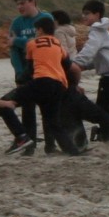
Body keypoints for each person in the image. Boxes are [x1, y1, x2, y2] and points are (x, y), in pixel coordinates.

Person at [18, 14, 80, 156]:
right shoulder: (58, 44)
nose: (35, 32)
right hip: (58, 84)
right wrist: (73, 84)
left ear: (40, 30)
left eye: (36, 30)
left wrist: (20, 81)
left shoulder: (32, 43)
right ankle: (65, 149)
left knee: (13, 104)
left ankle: (27, 144)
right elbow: (68, 66)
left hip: (40, 81)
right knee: (52, 119)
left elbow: (30, 69)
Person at [75, 0, 109, 132]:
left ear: (97, 14)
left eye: (87, 13)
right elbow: (99, 57)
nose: (84, 16)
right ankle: (108, 133)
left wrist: (75, 64)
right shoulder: (101, 30)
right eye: (83, 13)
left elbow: (89, 51)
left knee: (105, 110)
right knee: (104, 108)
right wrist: (84, 66)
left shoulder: (97, 31)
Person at [7, 0, 44, 144]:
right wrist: (19, 72)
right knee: (27, 108)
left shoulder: (45, 18)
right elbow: (13, 50)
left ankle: (51, 143)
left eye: (23, 3)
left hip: (43, 70)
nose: (20, 7)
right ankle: (30, 142)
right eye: (18, 4)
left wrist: (18, 40)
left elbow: (42, 42)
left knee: (47, 107)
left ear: (32, 2)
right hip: (25, 71)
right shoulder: (16, 23)